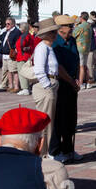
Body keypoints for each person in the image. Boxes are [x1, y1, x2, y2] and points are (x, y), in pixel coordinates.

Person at [51, 14, 82, 162]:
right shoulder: (55, 43)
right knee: (59, 119)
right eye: (69, 26)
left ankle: (69, 149)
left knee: (71, 118)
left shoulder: (72, 41)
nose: (72, 28)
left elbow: (77, 60)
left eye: (72, 26)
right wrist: (71, 81)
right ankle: (56, 151)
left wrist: (78, 79)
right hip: (61, 84)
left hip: (71, 84)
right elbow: (59, 67)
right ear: (60, 28)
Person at [29, 18, 60, 149]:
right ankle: (43, 152)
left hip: (51, 83)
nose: (55, 34)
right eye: (52, 32)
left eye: (55, 32)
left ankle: (46, 150)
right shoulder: (42, 48)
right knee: (45, 122)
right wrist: (47, 85)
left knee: (49, 121)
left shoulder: (48, 47)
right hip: (45, 86)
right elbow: (39, 69)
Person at [13, 21, 36, 95]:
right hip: (24, 56)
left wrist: (20, 48)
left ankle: (25, 88)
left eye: (20, 26)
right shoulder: (27, 35)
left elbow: (22, 44)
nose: (19, 28)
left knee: (22, 72)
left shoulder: (24, 35)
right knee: (24, 72)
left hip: (22, 56)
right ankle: (26, 88)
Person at [0, 17, 21, 92]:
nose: (7, 25)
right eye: (6, 24)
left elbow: (18, 42)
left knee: (14, 71)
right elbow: (2, 41)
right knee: (8, 70)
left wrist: (15, 49)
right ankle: (10, 85)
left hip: (11, 54)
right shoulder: (6, 31)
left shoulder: (16, 32)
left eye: (8, 24)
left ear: (13, 24)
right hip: (5, 55)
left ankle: (16, 86)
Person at [73, 12, 94, 88]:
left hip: (80, 48)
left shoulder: (80, 26)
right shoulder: (89, 26)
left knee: (81, 66)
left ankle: (81, 83)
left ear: (81, 17)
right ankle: (88, 82)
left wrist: (75, 25)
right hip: (87, 48)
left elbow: (73, 34)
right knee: (85, 66)